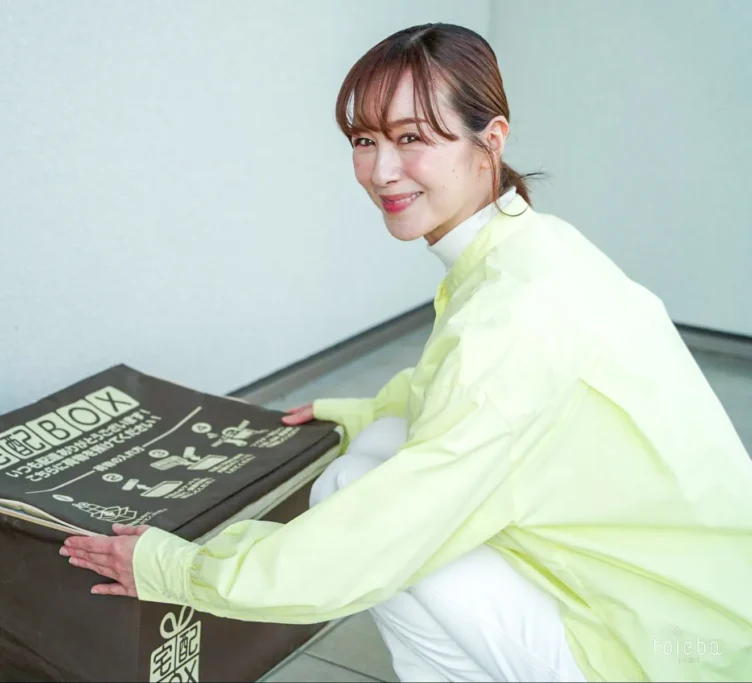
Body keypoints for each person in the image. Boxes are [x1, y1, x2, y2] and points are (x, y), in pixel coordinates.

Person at [61, 23, 752, 682]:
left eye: (411, 137)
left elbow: (380, 535)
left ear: (490, 140)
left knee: (356, 495)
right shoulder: (532, 248)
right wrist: (358, 414)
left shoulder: (516, 313)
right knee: (384, 441)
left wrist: (180, 571)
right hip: (697, 602)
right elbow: (465, 396)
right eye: (365, 140)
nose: (381, 170)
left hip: (665, 654)